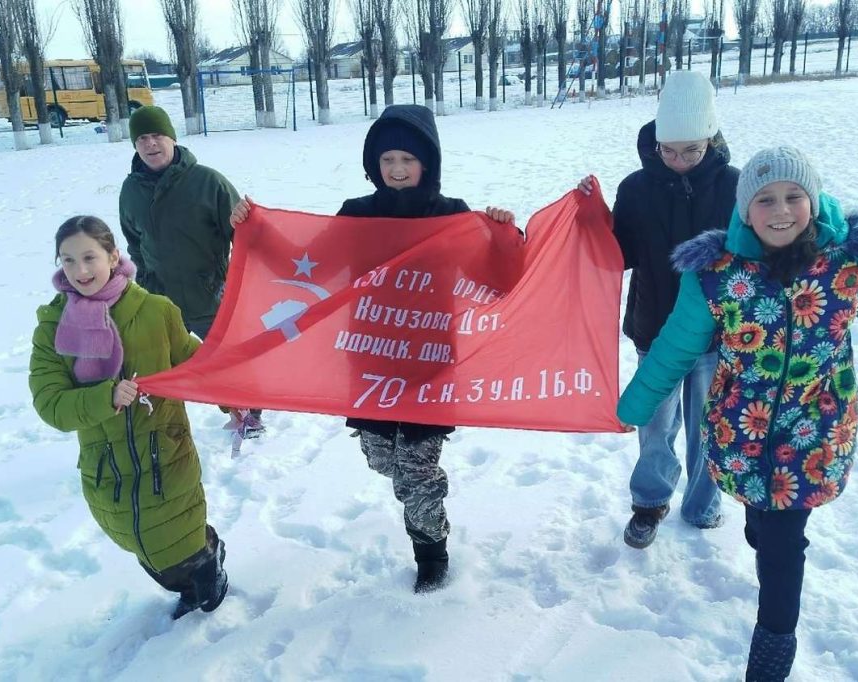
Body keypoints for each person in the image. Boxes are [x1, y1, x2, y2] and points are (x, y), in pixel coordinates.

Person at [617, 147, 858, 680]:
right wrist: (638, 404)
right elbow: (675, 345)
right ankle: (759, 529)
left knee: (784, 545)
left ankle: (770, 656)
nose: (781, 209)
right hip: (742, 425)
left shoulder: (850, 262)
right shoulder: (717, 273)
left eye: (794, 196)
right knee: (762, 524)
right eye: (765, 198)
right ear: (745, 210)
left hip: (815, 429)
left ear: (812, 200)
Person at [229, 104, 515, 593]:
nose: (398, 169)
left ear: (428, 162)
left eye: (408, 158)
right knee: (384, 459)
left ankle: (431, 549)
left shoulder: (452, 216)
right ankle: (413, 493)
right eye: (387, 160)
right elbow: (311, 263)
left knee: (416, 468)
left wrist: (504, 232)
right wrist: (255, 229)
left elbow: (501, 279)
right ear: (374, 164)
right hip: (371, 361)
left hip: (430, 364)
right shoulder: (357, 215)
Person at [29, 215, 230, 620]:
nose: (80, 270)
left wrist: (234, 395)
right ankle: (185, 579)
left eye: (89, 257)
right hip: (106, 467)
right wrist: (106, 397)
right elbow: (50, 403)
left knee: (180, 540)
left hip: (165, 454)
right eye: (68, 260)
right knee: (142, 545)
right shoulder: (53, 325)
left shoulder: (155, 311)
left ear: (113, 254)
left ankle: (208, 574)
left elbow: (196, 363)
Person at [579, 69, 739, 548]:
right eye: (670, 151)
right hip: (655, 331)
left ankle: (703, 503)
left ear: (710, 140)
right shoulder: (637, 188)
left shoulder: (736, 186)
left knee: (709, 426)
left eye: (691, 150)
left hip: (718, 335)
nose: (680, 161)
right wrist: (593, 218)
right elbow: (621, 254)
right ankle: (649, 503)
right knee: (656, 425)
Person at [119, 105, 263, 439]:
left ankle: (247, 414)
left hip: (209, 295)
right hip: (160, 300)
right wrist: (146, 281)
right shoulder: (131, 190)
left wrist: (242, 226)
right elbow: (134, 240)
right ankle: (163, 424)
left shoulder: (207, 181)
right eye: (142, 138)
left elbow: (243, 236)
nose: (151, 144)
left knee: (227, 360)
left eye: (157, 135)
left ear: (171, 138)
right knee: (162, 366)